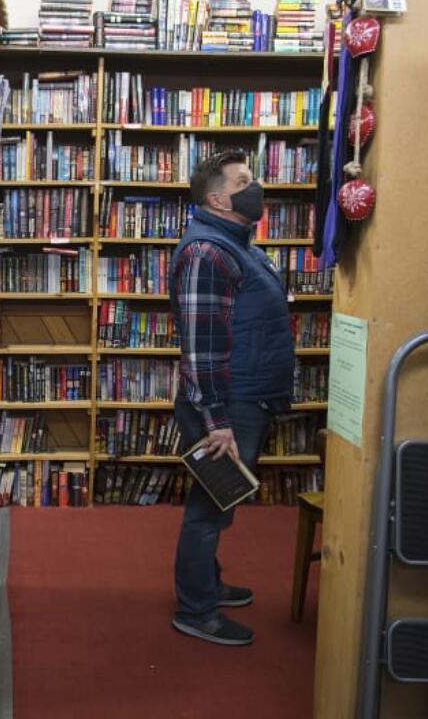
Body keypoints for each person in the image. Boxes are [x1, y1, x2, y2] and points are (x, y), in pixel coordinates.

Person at [169, 149, 295, 646]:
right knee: (208, 507)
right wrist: (216, 421)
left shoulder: (235, 243)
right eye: (244, 180)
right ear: (218, 199)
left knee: (221, 500)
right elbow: (201, 350)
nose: (256, 185)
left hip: (244, 394)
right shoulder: (208, 252)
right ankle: (195, 610)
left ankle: (208, 585)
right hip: (227, 403)